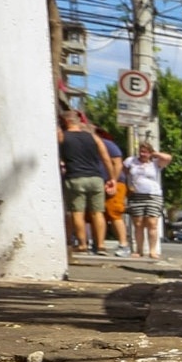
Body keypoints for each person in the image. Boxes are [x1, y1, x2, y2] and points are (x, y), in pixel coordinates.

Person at [58, 109, 117, 255]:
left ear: (66, 122)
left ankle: (82, 245)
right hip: (95, 178)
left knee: (78, 212)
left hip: (75, 177)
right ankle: (101, 245)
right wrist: (112, 178)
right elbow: (106, 158)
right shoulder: (94, 137)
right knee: (98, 212)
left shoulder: (62, 137)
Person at [124, 140, 174, 258]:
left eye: (145, 152)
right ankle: (139, 250)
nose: (143, 154)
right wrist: (129, 185)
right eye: (141, 151)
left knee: (152, 223)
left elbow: (168, 158)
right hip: (137, 196)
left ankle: (153, 250)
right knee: (138, 223)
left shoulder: (155, 163)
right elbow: (124, 172)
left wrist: (155, 154)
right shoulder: (131, 161)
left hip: (153, 195)